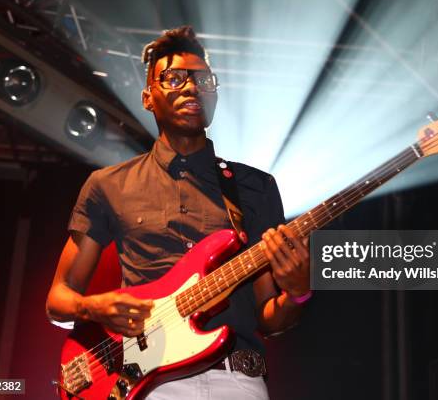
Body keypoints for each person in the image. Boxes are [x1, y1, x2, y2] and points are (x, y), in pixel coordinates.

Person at [46, 25, 311, 400]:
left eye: (203, 79)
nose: (191, 87)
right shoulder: (108, 184)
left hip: (237, 379)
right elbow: (58, 301)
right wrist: (94, 307)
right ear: (147, 98)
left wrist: (298, 295)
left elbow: (269, 317)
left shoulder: (255, 187)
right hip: (149, 383)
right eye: (173, 78)